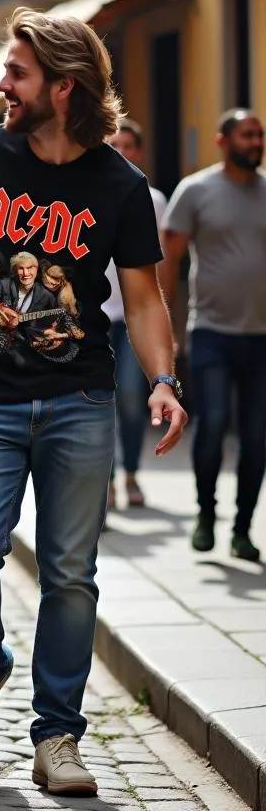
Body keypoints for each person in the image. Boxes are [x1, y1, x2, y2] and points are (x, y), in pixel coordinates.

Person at [0, 8, 187, 797]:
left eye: (16, 73)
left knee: (72, 574)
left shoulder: (120, 186)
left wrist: (164, 381)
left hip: (79, 401)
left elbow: (143, 300)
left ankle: (58, 736)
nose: (1, 85)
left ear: (62, 88)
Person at [160, 108, 266, 562]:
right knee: (215, 422)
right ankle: (207, 513)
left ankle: (242, 529)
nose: (255, 141)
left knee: (258, 436)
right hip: (210, 332)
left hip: (261, 335)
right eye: (247, 135)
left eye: (259, 135)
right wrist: (165, 328)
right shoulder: (196, 191)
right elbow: (168, 262)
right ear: (223, 141)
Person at [102, 119, 167, 510]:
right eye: (116, 145)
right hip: (96, 316)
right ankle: (106, 480)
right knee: (101, 399)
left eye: (129, 145)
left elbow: (159, 266)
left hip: (132, 318)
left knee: (129, 396)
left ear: (139, 152)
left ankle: (130, 472)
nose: (123, 152)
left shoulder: (152, 199)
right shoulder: (89, 193)